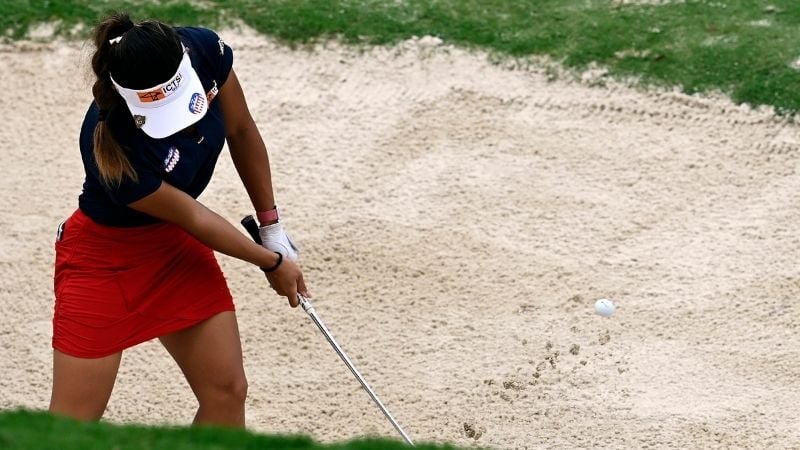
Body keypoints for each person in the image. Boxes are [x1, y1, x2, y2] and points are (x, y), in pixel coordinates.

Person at [49, 12, 309, 427]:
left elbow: (241, 130)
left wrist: (271, 226)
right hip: (103, 262)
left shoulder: (204, 49)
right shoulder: (110, 143)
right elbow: (193, 216)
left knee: (227, 391)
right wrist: (272, 263)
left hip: (171, 250)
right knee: (73, 423)